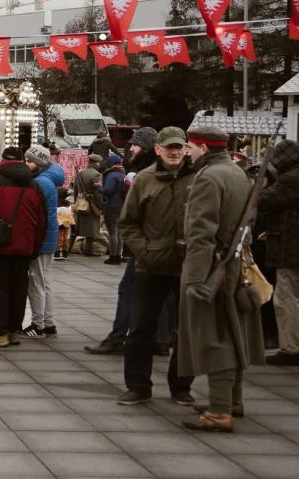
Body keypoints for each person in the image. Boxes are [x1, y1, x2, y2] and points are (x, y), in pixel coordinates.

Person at [179, 126, 263, 432]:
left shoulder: (209, 178)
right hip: (234, 263)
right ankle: (231, 400)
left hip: (213, 268)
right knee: (233, 331)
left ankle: (218, 411)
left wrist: (197, 280)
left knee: (216, 338)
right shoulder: (238, 173)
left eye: (189, 147)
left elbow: (201, 232)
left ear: (202, 147)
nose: (187, 152)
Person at [115, 126, 196, 406]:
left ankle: (181, 385)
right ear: (158, 149)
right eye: (168, 147)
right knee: (140, 328)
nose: (174, 152)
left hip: (188, 266)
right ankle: (138, 385)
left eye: (179, 147)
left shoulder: (198, 177)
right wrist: (144, 251)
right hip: (150, 265)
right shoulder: (145, 179)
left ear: (186, 149)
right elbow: (128, 222)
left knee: (188, 330)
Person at [0, 146, 46, 348]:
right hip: (25, 245)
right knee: (19, 288)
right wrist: (35, 247)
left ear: (2, 159)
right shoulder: (34, 185)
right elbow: (42, 221)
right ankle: (14, 330)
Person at [259, 139, 299, 365]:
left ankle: (291, 348)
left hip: (291, 250)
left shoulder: (292, 179)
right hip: (293, 244)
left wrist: (263, 181)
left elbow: (264, 199)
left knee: (286, 298)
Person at [22, 144, 65, 339]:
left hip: (41, 239)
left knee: (36, 282)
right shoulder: (48, 180)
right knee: (44, 281)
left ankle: (38, 324)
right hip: (49, 237)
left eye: (29, 161)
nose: (26, 163)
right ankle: (49, 323)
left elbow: (36, 216)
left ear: (39, 163)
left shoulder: (40, 183)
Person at [73, 154, 104, 257]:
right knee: (91, 228)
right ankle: (89, 250)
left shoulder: (80, 173)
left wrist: (76, 202)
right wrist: (100, 205)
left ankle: (67, 248)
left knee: (76, 228)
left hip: (80, 202)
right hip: (91, 203)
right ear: (96, 163)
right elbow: (98, 192)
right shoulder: (97, 175)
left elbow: (75, 190)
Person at [101, 155, 127, 265]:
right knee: (119, 233)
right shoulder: (122, 174)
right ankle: (119, 255)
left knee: (112, 233)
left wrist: (98, 187)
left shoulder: (112, 175)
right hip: (121, 206)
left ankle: (113, 257)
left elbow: (108, 191)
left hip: (112, 206)